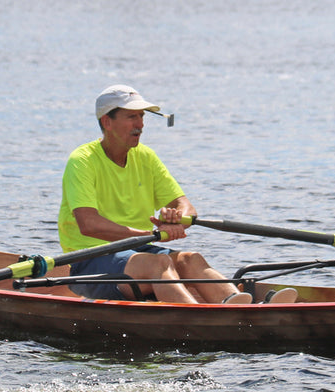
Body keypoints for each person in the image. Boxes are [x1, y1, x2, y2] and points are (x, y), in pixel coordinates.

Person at [58, 84, 296, 305]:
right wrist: (150, 235)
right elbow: (89, 224)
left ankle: (241, 307)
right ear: (107, 122)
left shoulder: (146, 157)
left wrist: (175, 220)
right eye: (132, 117)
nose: (140, 124)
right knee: (159, 263)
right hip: (90, 261)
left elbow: (186, 207)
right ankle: (201, 319)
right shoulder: (82, 161)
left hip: (139, 252)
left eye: (142, 116)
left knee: (191, 259)